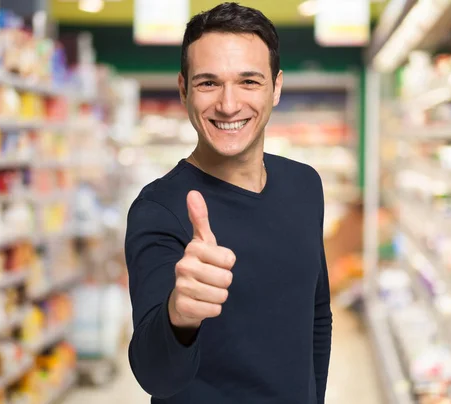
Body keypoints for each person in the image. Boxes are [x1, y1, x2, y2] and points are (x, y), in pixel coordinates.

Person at [124, 3, 332, 403]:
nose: (229, 104)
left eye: (249, 82)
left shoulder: (305, 185)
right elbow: (156, 377)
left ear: (277, 87)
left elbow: (317, 318)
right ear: (183, 89)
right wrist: (179, 317)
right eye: (208, 83)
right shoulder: (160, 209)